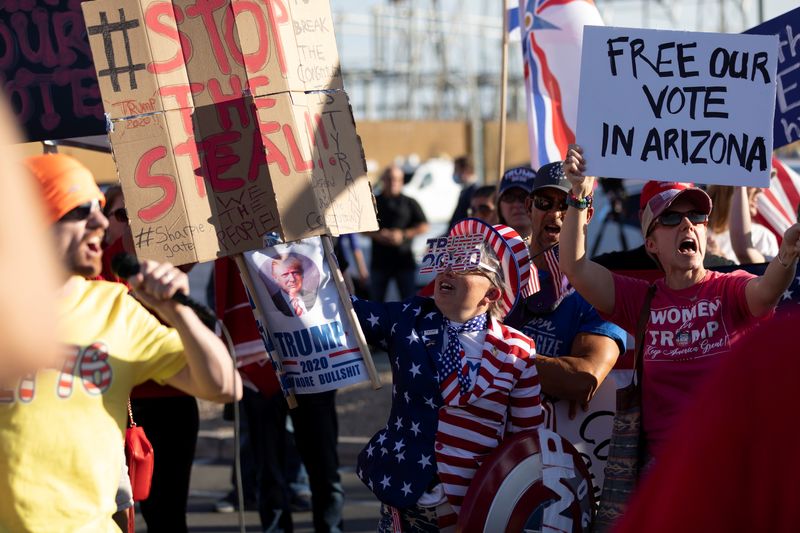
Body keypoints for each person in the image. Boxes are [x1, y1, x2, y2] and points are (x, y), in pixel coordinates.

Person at [0, 153, 241, 532]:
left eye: (100, 209)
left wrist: (176, 312)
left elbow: (224, 386)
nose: (100, 222)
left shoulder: (114, 307)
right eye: (81, 210)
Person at [560, 144, 800, 460]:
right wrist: (579, 194)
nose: (687, 224)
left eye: (697, 216)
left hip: (726, 463)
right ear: (650, 243)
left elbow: (768, 291)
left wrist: (787, 253)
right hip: (661, 472)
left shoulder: (729, 288)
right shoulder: (641, 299)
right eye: (671, 218)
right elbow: (575, 267)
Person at [352, 218, 543, 531]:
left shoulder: (518, 348)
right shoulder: (410, 316)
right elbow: (348, 312)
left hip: (473, 508)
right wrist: (307, 265)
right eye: (447, 259)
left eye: (466, 264)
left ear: (493, 293)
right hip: (404, 497)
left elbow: (524, 441)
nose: (449, 269)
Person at [214, 256, 345, 533]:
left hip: (312, 356)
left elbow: (335, 275)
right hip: (258, 362)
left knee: (324, 466)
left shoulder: (306, 223)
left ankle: (331, 528)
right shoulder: (232, 227)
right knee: (268, 469)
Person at [101, 185, 201, 533]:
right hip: (115, 408)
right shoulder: (96, 264)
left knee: (167, 515)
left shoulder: (168, 259)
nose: (131, 223)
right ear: (107, 220)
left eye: (140, 213)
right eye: (121, 215)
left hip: (172, 403)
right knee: (113, 514)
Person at [504, 162, 626, 407]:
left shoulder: (598, 291)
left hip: (556, 443)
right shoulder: (499, 273)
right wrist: (552, 374)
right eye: (544, 203)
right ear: (530, 207)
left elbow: (583, 379)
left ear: (587, 215)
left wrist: (496, 356)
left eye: (567, 205)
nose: (555, 214)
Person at [368, 165, 429, 301]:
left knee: (409, 302)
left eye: (396, 179)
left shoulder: (410, 202)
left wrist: (404, 234)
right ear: (383, 180)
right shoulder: (373, 202)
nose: (393, 182)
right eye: (389, 179)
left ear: (401, 181)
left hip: (404, 261)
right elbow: (360, 228)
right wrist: (377, 235)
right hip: (380, 262)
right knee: (375, 302)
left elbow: (424, 226)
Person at [706, 184, 778, 264]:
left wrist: (722, 261)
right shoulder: (695, 230)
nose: (761, 190)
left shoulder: (763, 236)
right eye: (753, 181)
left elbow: (766, 275)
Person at [265, 253, 317, 317]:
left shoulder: (315, 297)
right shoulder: (271, 303)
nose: (292, 279)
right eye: (285, 275)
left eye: (295, 273)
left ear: (302, 274)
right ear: (276, 278)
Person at [496, 166, 537, 241]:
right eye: (509, 197)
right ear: (499, 206)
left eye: (525, 197)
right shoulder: (485, 249)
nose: (516, 205)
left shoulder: (559, 249)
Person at [447, 155, 479, 228]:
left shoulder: (474, 192)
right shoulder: (465, 191)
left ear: (465, 170)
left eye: (456, 169)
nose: (454, 173)